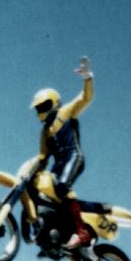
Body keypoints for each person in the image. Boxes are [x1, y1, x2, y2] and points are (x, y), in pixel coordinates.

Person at [30, 56, 96, 250]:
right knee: (45, 194)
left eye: (43, 106)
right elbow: (42, 157)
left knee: (61, 187)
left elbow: (85, 98)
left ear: (54, 103)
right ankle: (55, 235)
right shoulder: (45, 132)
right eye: (38, 108)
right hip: (58, 165)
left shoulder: (65, 113)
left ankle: (82, 232)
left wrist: (87, 78)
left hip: (73, 156)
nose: (41, 111)